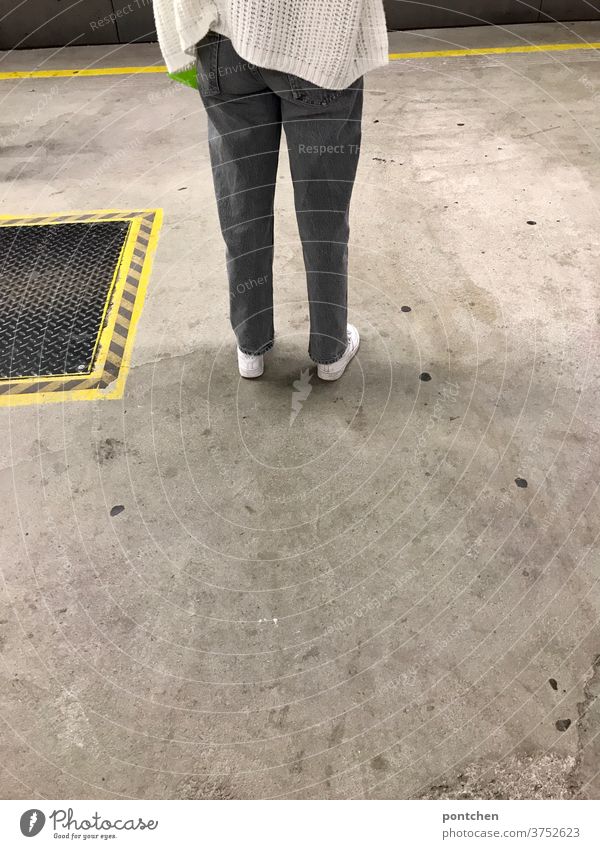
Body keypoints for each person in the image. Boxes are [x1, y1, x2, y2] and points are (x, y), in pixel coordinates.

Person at [154, 1, 388, 379]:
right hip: (319, 37)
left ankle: (251, 345)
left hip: (225, 44)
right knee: (323, 213)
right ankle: (330, 349)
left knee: (241, 207)